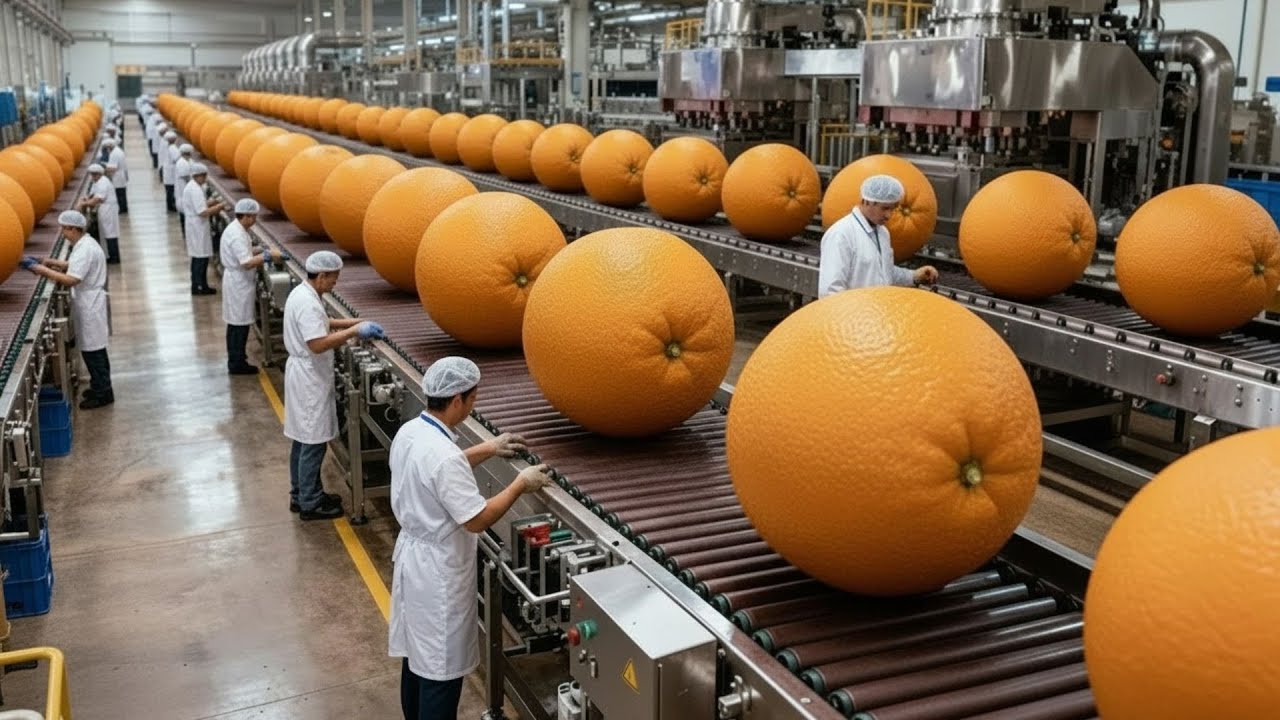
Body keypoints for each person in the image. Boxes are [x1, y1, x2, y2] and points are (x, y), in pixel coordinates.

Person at [388, 356, 552, 720]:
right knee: (440, 672)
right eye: (473, 398)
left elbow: (440, 469)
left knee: (417, 659)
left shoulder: (411, 432)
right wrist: (519, 485)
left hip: (414, 562)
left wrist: (490, 448)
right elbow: (477, 519)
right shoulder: (443, 456)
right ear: (457, 400)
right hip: (438, 574)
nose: (473, 405)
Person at [282, 250, 386, 520]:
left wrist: (355, 322)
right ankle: (310, 503)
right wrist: (353, 332)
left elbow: (322, 323)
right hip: (309, 380)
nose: (335, 283)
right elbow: (317, 343)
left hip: (304, 375)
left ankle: (301, 494)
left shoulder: (303, 294)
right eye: (333, 279)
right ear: (322, 276)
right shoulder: (307, 302)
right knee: (313, 443)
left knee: (302, 440)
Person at [20, 211, 113, 409]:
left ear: (74, 229)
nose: (62, 233)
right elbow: (75, 266)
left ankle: (103, 394)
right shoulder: (85, 244)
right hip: (89, 302)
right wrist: (49, 262)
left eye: (64, 229)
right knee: (94, 349)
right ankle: (100, 386)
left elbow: (72, 279)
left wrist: (41, 270)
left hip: (90, 304)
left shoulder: (85, 249)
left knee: (94, 352)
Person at [817, 174, 940, 298]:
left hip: (878, 308)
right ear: (867, 201)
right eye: (885, 208)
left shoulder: (882, 233)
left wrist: (913, 276)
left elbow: (884, 272)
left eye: (893, 209)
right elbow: (830, 291)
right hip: (854, 309)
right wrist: (855, 310)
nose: (889, 215)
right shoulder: (841, 234)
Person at [220, 198, 280, 374]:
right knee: (239, 325)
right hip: (238, 283)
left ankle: (237, 358)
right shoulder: (237, 234)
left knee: (237, 323)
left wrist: (260, 250)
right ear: (245, 216)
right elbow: (246, 262)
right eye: (253, 217)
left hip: (238, 281)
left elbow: (243, 253)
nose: (255, 220)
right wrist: (268, 257)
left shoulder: (238, 229)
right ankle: (237, 363)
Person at [182, 163, 227, 295]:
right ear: (198, 175)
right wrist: (220, 207)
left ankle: (199, 285)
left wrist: (214, 202)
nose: (205, 179)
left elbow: (200, 205)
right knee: (200, 259)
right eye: (204, 176)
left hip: (196, 226)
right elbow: (202, 212)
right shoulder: (195, 189)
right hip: (197, 228)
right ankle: (200, 286)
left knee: (199, 258)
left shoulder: (193, 186)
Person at [76, 163, 121, 265]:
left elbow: (96, 200)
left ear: (99, 174)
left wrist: (83, 204)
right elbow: (91, 195)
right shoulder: (97, 182)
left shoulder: (103, 183)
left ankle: (114, 257)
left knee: (110, 233)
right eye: (92, 175)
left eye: (94, 175)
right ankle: (109, 255)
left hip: (108, 210)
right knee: (106, 233)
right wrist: (85, 198)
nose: (92, 177)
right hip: (104, 210)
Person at [174, 144, 194, 239]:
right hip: (182, 193)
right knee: (184, 216)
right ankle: (185, 234)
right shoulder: (182, 163)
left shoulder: (187, 161)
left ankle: (186, 234)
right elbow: (186, 177)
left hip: (184, 193)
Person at [105, 138, 129, 215]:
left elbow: (113, 168)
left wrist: (105, 169)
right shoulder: (118, 151)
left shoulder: (114, 154)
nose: (107, 149)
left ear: (110, 146)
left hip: (118, 176)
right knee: (122, 193)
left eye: (107, 147)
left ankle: (122, 209)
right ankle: (124, 208)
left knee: (119, 194)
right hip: (121, 175)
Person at [161, 131, 180, 212]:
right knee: (171, 191)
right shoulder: (172, 148)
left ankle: (169, 206)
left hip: (168, 172)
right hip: (171, 173)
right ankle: (171, 206)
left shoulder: (167, 146)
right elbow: (176, 159)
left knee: (169, 190)